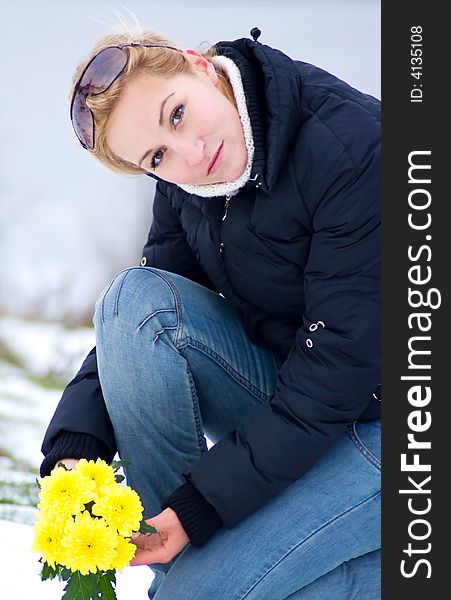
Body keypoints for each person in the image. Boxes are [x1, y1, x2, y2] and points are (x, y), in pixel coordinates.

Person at [40, 25, 381, 599]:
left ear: (198, 65)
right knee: (135, 302)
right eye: (158, 156)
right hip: (303, 402)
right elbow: (149, 318)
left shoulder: (353, 151)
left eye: (176, 116)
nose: (192, 154)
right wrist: (77, 445)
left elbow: (333, 378)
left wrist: (199, 509)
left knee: (199, 593)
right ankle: (193, 572)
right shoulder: (187, 183)